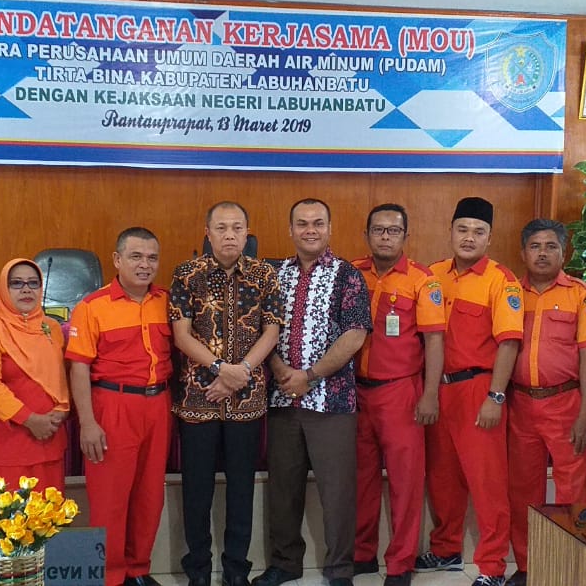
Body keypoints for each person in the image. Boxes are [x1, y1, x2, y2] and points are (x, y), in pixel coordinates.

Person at [255, 198, 370, 586]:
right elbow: (260, 328)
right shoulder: (273, 275)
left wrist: (311, 375)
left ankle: (339, 570)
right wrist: (280, 370)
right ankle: (285, 563)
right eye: (302, 223)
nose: (310, 230)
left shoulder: (348, 276)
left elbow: (355, 335)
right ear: (290, 230)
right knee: (283, 489)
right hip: (282, 399)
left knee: (337, 492)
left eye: (318, 223)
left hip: (331, 402)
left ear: (329, 228)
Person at [170, 201, 281, 586]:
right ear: (208, 233)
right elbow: (181, 335)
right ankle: (198, 570)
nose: (230, 235)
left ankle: (236, 570)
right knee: (196, 491)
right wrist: (221, 369)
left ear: (247, 233)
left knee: (241, 490)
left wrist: (242, 372)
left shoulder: (264, 274)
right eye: (221, 228)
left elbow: (271, 330)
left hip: (247, 401)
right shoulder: (187, 274)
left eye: (237, 228)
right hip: (198, 399)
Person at [420, 197, 521, 586]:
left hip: (480, 389)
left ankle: (493, 566)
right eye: (462, 229)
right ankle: (446, 548)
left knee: (487, 482)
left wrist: (496, 396)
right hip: (438, 390)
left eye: (478, 232)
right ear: (450, 231)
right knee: (442, 478)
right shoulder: (433, 275)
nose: (469, 237)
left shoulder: (501, 280)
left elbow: (509, 344)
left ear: (489, 238)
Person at [66, 227, 172, 586]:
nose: (145, 265)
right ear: (117, 260)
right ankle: (110, 576)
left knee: (149, 495)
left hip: (157, 406)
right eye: (136, 257)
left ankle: (138, 569)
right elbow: (79, 367)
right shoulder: (92, 307)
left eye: (152, 258)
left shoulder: (166, 301)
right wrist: (87, 423)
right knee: (110, 498)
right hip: (113, 406)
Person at [349, 204, 444, 586]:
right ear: (367, 234)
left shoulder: (423, 280)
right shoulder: (351, 273)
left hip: (400, 393)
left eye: (393, 230)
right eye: (378, 230)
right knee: (361, 479)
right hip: (356, 393)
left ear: (406, 236)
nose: (385, 237)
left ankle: (401, 563)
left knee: (406, 482)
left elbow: (434, 341)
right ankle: (362, 554)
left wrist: (430, 394)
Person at [505, 219, 586, 586]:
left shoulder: (580, 295)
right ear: (522, 252)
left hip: (565, 404)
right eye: (535, 246)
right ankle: (528, 565)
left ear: (564, 253)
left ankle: (571, 565)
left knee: (573, 492)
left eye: (551, 246)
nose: (542, 253)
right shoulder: (510, 294)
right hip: (520, 405)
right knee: (522, 490)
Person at [0, 259, 70, 491]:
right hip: (4, 443)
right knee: (6, 513)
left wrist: (61, 409)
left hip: (48, 439)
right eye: (16, 283)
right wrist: (29, 419)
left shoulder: (51, 328)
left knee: (49, 510)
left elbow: (60, 374)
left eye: (33, 283)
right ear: (4, 289)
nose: (26, 289)